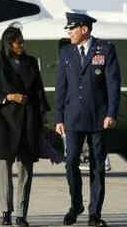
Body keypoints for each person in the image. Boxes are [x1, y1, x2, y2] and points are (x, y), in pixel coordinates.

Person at [55, 12, 121, 227]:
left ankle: (95, 213)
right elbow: (61, 87)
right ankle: (76, 205)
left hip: (97, 118)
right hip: (72, 117)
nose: (69, 32)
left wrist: (111, 113)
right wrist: (59, 117)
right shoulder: (66, 52)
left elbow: (112, 84)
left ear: (84, 29)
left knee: (97, 166)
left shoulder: (105, 49)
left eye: (72, 28)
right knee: (70, 163)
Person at [0, 25, 50, 226]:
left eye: (23, 41)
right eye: (18, 42)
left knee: (26, 171)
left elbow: (39, 92)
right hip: (4, 124)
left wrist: (43, 119)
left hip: (28, 122)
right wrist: (8, 97)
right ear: (9, 44)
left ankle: (21, 214)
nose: (22, 45)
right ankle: (6, 212)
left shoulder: (31, 63)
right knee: (3, 170)